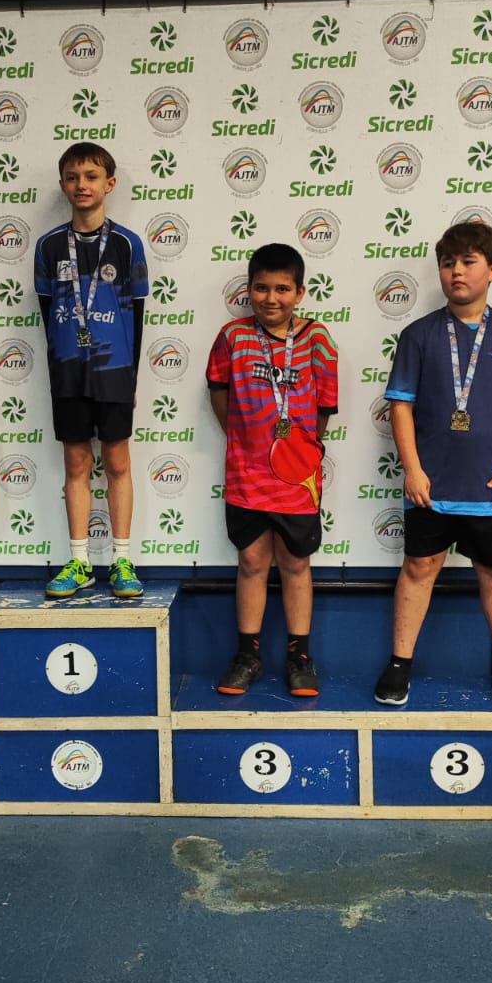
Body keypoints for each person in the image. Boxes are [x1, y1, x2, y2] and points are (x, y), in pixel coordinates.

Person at [374, 220, 492, 707]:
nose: (456, 271)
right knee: (419, 566)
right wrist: (412, 469)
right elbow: (400, 406)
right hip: (431, 484)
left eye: (469, 262)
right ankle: (399, 664)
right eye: (448, 263)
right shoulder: (418, 335)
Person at [206, 242, 338, 696]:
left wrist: (296, 452)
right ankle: (248, 654)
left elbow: (324, 410)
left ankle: (301, 656)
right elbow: (218, 391)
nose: (271, 298)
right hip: (246, 474)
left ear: (300, 292)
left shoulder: (318, 339)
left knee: (296, 563)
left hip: (297, 481)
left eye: (282, 289)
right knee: (250, 561)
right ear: (249, 289)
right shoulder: (232, 337)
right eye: (261, 288)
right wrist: (243, 439)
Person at [35, 143, 148, 599]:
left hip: (114, 369)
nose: (82, 185)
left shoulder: (127, 244)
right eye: (73, 177)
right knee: (76, 463)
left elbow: (137, 316)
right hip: (68, 370)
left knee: (118, 462)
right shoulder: (48, 246)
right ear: (63, 185)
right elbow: (46, 314)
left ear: (110, 184)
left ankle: (121, 558)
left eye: (91, 176)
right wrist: (60, 364)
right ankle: (80, 561)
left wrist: (131, 376)